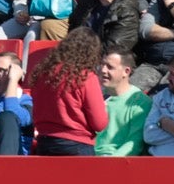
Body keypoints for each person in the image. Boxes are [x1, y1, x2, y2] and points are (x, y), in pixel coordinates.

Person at [28, 28, 111, 156]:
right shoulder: (86, 77)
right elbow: (99, 123)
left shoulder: (42, 73)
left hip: (44, 143)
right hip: (76, 145)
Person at [94, 47, 150, 156]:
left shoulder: (141, 102)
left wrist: (112, 164)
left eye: (110, 67)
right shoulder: (95, 96)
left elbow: (134, 143)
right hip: (86, 158)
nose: (103, 70)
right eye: (102, 64)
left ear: (126, 71)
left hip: (115, 164)